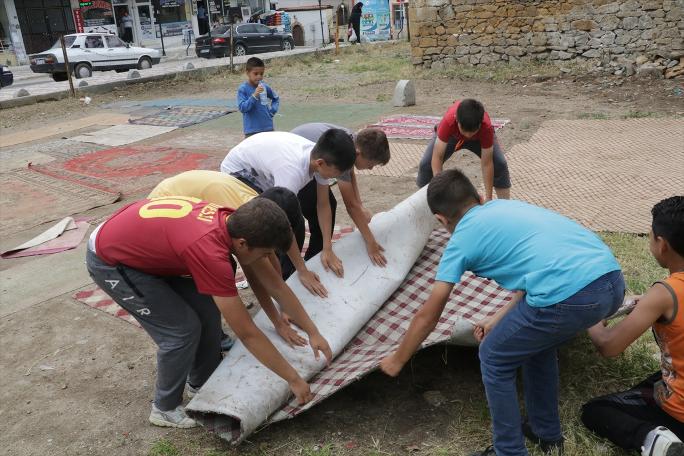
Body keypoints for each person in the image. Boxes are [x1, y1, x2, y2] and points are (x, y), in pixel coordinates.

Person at [379, 169, 624, 456]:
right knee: (535, 345)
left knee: (493, 356)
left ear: (441, 220)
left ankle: (508, 451)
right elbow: (536, 274)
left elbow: (429, 315)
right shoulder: (505, 206)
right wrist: (497, 319)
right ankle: (546, 433)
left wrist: (398, 359)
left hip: (569, 296)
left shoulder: (459, 242)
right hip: (611, 281)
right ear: (480, 198)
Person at [86, 197, 332, 428]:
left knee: (206, 310)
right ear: (243, 244)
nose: (268, 259)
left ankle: (200, 382)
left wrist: (313, 332)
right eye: (265, 253)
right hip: (112, 260)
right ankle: (164, 408)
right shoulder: (211, 252)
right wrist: (293, 379)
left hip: (148, 250)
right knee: (181, 332)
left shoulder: (236, 224)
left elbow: (276, 286)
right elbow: (247, 333)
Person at [149, 170, 322, 338]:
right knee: (213, 277)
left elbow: (271, 268)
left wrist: (284, 305)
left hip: (189, 202)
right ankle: (212, 335)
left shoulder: (259, 209)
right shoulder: (244, 224)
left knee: (239, 266)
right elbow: (256, 278)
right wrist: (277, 321)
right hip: (163, 211)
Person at [582, 196, 684, 456]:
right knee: (655, 378)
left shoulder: (666, 293)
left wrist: (591, 317)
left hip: (680, 415)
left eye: (650, 236)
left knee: (596, 411)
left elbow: (608, 346)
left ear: (662, 245)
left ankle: (653, 441)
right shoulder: (663, 296)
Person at [220, 130, 356, 295]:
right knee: (275, 227)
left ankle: (298, 266)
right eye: (337, 173)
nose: (339, 176)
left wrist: (327, 247)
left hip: (265, 165)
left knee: (302, 215)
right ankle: (283, 281)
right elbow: (283, 224)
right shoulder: (291, 172)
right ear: (320, 163)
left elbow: (323, 204)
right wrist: (303, 271)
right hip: (240, 173)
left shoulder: (319, 158)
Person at [290, 123, 390, 272]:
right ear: (357, 154)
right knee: (301, 217)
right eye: (371, 164)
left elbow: (350, 176)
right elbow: (350, 206)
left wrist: (360, 205)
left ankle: (318, 254)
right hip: (295, 163)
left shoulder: (352, 140)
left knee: (328, 204)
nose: (370, 169)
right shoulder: (343, 154)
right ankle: (299, 266)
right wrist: (371, 243)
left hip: (309, 157)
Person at [417, 99, 511, 201]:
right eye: (465, 132)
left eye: (472, 132)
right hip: (453, 136)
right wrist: (440, 192)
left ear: (480, 125)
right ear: (457, 121)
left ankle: (504, 204)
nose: (468, 135)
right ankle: (426, 202)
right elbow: (437, 157)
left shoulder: (486, 127)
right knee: (426, 164)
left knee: (499, 163)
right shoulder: (449, 121)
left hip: (478, 139)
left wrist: (488, 198)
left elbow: (487, 163)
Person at [237, 57, 279, 138]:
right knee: (252, 151)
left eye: (261, 74)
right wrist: (254, 95)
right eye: (255, 74)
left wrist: (272, 111)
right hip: (252, 131)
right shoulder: (243, 89)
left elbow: (276, 98)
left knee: (269, 149)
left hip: (268, 128)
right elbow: (242, 108)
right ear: (248, 73)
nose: (259, 76)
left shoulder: (264, 86)